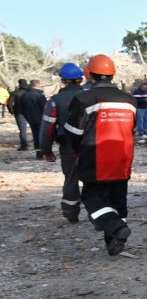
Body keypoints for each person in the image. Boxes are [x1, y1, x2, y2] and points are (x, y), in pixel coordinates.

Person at [63, 55, 136, 255]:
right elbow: (132, 129)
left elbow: (73, 132)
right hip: (123, 157)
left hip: (95, 157)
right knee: (118, 200)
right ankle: (114, 243)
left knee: (92, 198)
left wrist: (78, 152)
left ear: (89, 74)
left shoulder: (84, 99)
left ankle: (117, 228)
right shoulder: (129, 100)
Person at [38, 63, 87, 221]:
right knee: (92, 179)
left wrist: (46, 151)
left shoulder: (55, 100)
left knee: (71, 180)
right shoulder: (91, 96)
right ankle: (98, 216)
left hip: (69, 147)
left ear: (62, 80)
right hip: (91, 146)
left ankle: (71, 214)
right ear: (81, 79)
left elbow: (47, 128)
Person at [20, 80, 47, 155]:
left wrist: (27, 117)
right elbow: (45, 108)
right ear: (38, 85)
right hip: (41, 118)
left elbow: (21, 109)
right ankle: (42, 152)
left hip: (31, 119)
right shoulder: (40, 95)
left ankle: (38, 153)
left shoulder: (24, 95)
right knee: (41, 136)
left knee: (35, 136)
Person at [11, 79, 30, 149]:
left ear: (19, 84)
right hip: (31, 112)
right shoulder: (30, 92)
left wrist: (11, 111)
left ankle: (24, 145)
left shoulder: (15, 93)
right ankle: (38, 144)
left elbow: (9, 103)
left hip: (19, 113)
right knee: (35, 129)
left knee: (22, 129)